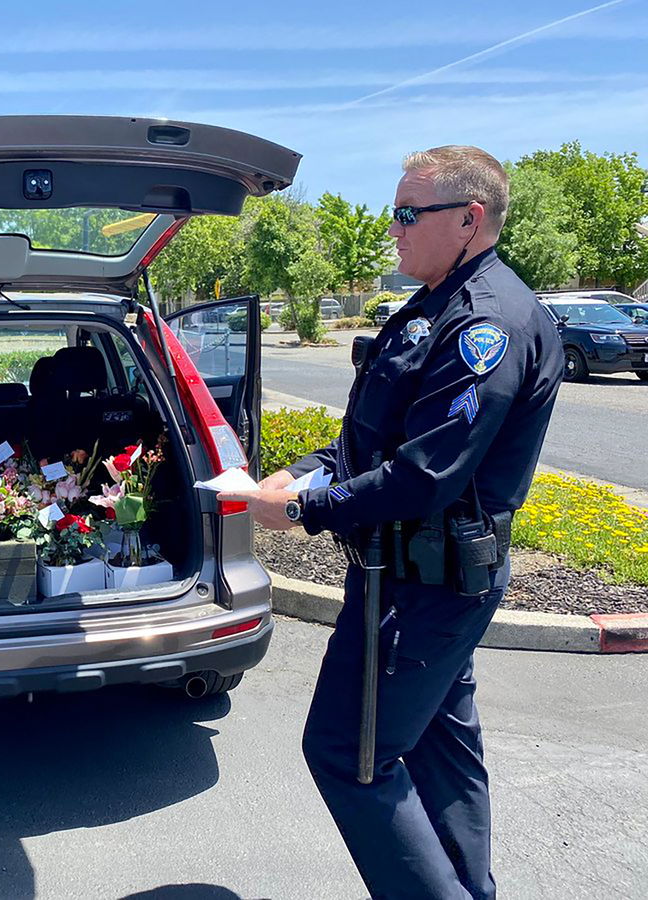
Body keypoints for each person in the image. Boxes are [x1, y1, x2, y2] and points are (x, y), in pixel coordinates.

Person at [221, 146, 564, 899]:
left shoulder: (488, 324)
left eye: (411, 213)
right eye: (395, 211)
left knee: (350, 754)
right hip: (415, 583)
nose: (394, 228)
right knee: (443, 749)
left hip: (422, 590)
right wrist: (308, 470)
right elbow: (370, 440)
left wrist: (306, 508)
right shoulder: (434, 303)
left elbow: (424, 475)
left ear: (470, 220)